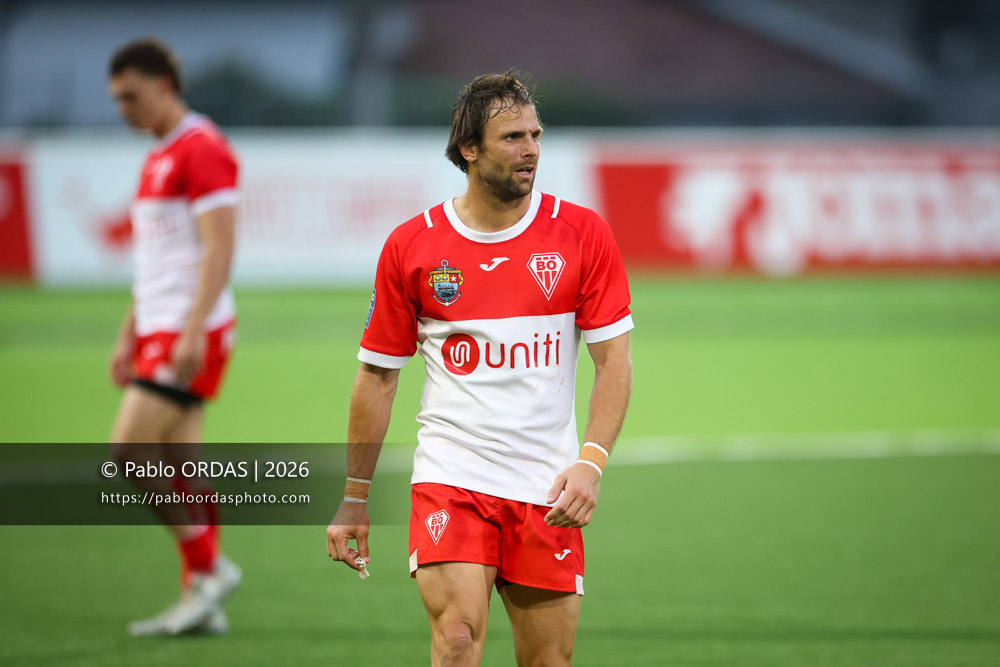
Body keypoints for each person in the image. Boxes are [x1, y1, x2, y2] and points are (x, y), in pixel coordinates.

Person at [327, 71, 633, 666]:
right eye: (513, 137)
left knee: (548, 661)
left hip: (547, 488)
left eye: (536, 135)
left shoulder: (581, 234)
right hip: (452, 475)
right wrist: (355, 496)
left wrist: (590, 463)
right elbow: (378, 375)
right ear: (469, 148)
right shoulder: (412, 246)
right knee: (458, 636)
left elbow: (613, 358)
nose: (531, 150)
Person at [106, 38, 241, 636]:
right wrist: (126, 334)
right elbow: (154, 259)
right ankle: (201, 604)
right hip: (158, 330)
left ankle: (209, 570)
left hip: (191, 332)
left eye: (130, 95)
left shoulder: (202, 149)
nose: (122, 109)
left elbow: (220, 248)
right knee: (181, 465)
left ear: (164, 84)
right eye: (116, 99)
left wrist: (190, 332)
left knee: (128, 455)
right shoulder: (157, 154)